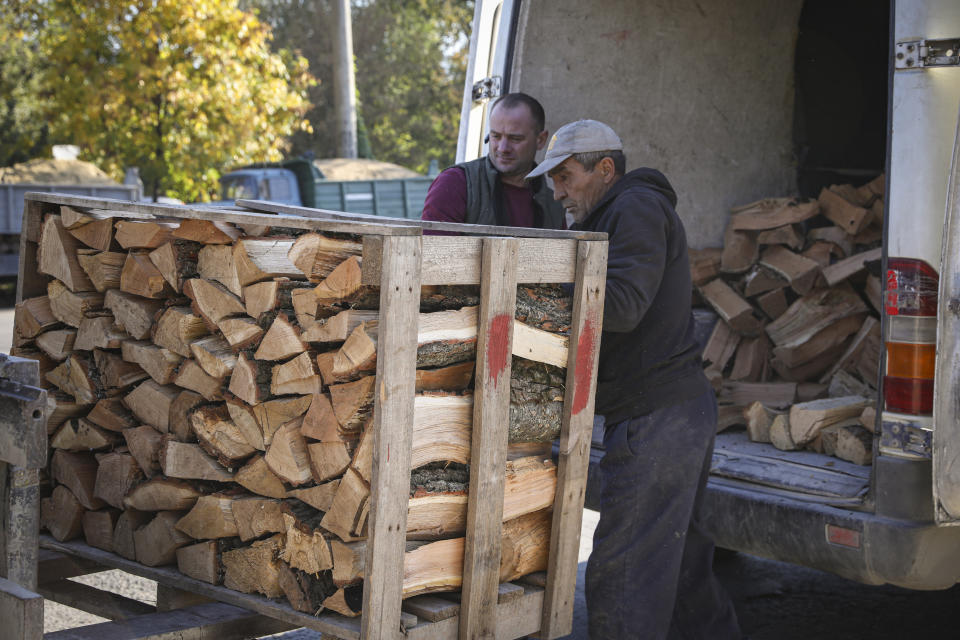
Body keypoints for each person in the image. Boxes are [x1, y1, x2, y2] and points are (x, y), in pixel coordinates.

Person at [526, 120, 742, 639]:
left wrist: (536, 291)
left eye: (565, 176)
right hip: (671, 414)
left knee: (626, 575)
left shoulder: (635, 207)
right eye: (550, 179)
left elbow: (620, 307)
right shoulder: (611, 213)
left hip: (658, 419)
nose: (556, 190)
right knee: (682, 569)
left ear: (605, 169)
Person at [420, 92, 565, 229]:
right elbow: (433, 252)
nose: (503, 148)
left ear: (541, 140)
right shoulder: (455, 183)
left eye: (515, 139)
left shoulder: (553, 206)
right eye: (496, 136)